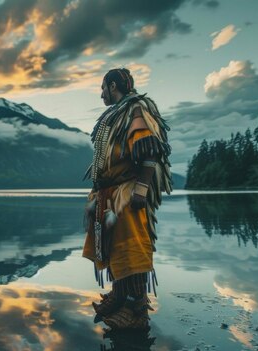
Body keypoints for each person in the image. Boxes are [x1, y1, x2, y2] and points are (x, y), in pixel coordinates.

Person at [82, 68, 172, 330]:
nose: (101, 95)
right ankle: (120, 294)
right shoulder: (118, 112)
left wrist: (141, 188)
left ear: (113, 86)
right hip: (109, 194)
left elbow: (149, 150)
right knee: (116, 249)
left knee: (131, 249)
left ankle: (136, 308)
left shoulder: (135, 109)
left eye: (102, 88)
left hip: (126, 193)